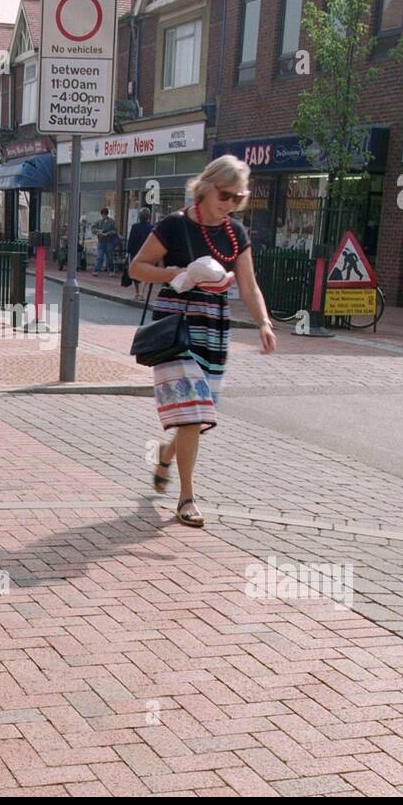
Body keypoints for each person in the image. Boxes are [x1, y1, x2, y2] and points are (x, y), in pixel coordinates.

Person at [129, 155, 277, 528]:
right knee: (193, 415)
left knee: (195, 416)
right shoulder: (175, 225)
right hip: (176, 327)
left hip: (214, 327)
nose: (230, 204)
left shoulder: (235, 234)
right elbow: (137, 267)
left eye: (238, 199)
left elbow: (248, 284)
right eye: (225, 195)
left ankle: (165, 454)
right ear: (207, 186)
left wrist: (263, 322)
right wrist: (179, 272)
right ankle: (187, 497)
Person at [124, 207, 155, 298]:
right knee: (146, 273)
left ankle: (137, 292)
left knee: (136, 272)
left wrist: (128, 251)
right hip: (148, 253)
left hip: (136, 252)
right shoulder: (152, 228)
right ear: (148, 217)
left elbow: (131, 240)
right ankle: (142, 292)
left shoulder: (135, 227)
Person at [93, 207, 117, 275]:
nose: (103, 216)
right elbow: (93, 228)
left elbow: (115, 231)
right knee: (99, 256)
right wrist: (97, 231)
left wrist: (107, 233)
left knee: (110, 257)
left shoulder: (112, 221)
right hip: (101, 241)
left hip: (109, 242)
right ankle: (96, 270)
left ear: (107, 214)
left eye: (105, 214)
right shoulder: (99, 222)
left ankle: (111, 270)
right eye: (102, 214)